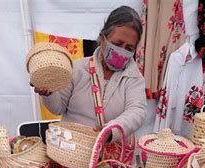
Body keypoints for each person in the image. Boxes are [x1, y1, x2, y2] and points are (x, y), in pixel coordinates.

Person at [33, 6, 147, 142]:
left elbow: (137, 111)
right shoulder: (78, 68)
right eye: (117, 43)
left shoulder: (134, 78)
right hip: (72, 150)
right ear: (102, 38)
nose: (122, 51)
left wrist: (111, 131)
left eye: (129, 48)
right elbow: (57, 108)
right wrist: (49, 92)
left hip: (110, 158)